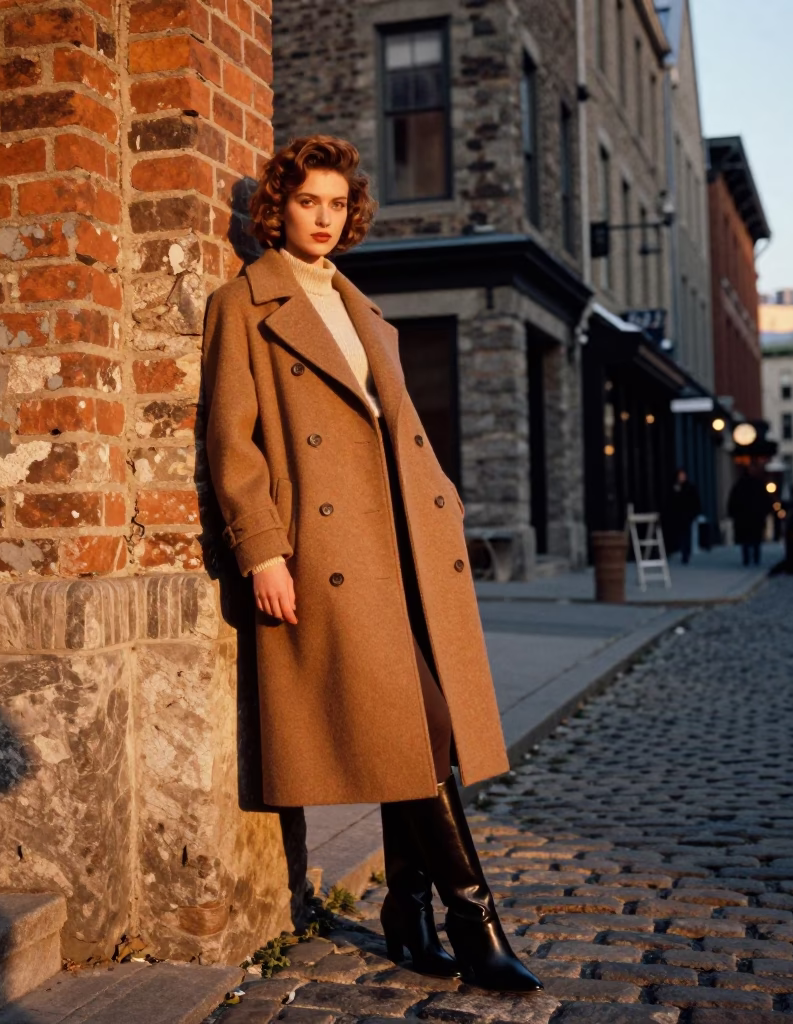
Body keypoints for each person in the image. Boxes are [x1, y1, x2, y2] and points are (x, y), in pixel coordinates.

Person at [201, 136, 541, 993]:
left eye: (338, 204)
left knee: (421, 727)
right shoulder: (245, 303)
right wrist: (262, 551)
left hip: (406, 547)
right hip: (329, 553)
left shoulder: (363, 308)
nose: (325, 217)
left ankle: (407, 912)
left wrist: (445, 499)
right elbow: (230, 445)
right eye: (308, 201)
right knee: (417, 726)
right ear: (276, 208)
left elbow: (396, 427)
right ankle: (476, 925)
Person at [727, 466, 770, 566]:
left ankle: (747, 558)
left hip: (743, 519)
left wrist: (732, 514)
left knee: (745, 540)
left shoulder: (738, 486)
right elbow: (766, 501)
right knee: (756, 540)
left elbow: (732, 502)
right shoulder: (757, 484)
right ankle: (756, 558)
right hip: (755, 518)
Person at [665, 468, 702, 564]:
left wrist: (694, 513)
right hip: (678, 515)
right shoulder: (675, 487)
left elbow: (695, 501)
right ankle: (682, 551)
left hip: (687, 515)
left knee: (686, 534)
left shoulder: (690, 487)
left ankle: (686, 553)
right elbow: (672, 501)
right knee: (681, 534)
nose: (681, 477)